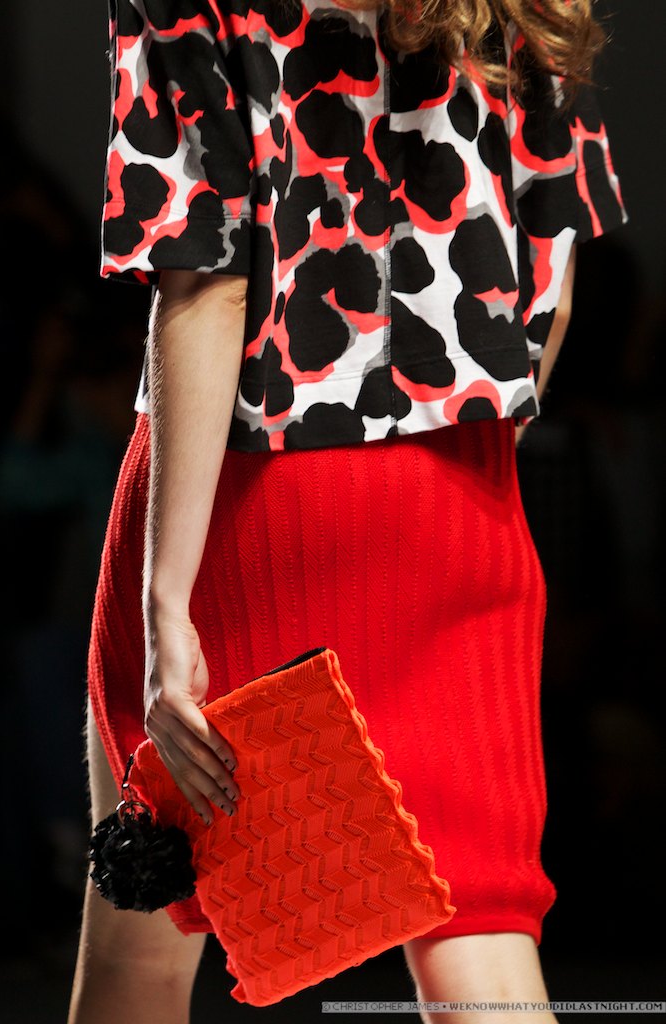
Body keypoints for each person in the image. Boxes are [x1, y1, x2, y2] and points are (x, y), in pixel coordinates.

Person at [68, 1, 626, 1021]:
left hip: (245, 496)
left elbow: (208, 287)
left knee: (142, 946)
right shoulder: (525, 7)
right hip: (458, 492)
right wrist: (464, 470)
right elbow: (550, 272)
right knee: (482, 941)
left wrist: (164, 601)